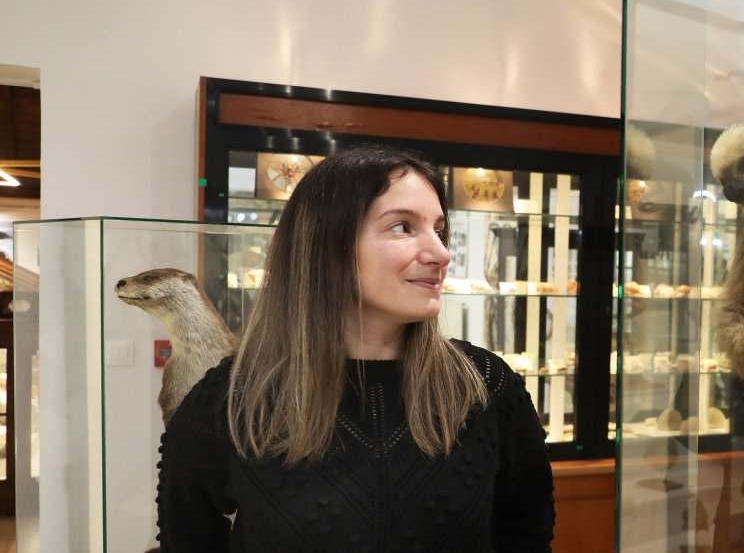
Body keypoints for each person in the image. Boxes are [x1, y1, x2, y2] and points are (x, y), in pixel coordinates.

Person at [156, 145, 556, 552]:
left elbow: (526, 531)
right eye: (402, 226)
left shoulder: (484, 385)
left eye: (439, 230)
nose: (441, 253)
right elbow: (187, 535)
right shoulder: (236, 394)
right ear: (327, 244)